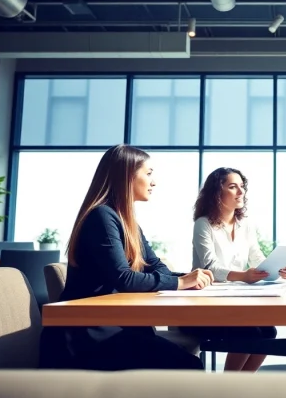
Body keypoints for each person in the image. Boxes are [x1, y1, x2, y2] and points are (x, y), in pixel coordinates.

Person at [41, 144, 211, 371]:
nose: (154, 182)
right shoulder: (101, 216)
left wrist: (186, 278)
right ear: (127, 176)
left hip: (115, 326)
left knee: (187, 362)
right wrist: (181, 282)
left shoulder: (126, 221)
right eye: (148, 173)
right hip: (86, 335)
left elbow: (155, 265)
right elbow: (124, 278)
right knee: (188, 366)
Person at [183, 167, 286, 372]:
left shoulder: (245, 225)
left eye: (242, 187)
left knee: (268, 332)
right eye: (233, 187)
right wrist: (243, 276)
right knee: (249, 332)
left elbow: (257, 258)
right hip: (207, 304)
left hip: (235, 299)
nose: (241, 192)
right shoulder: (203, 224)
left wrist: (278, 269)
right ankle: (229, 389)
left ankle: (242, 387)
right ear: (217, 193)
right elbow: (209, 266)